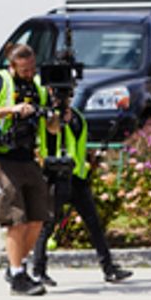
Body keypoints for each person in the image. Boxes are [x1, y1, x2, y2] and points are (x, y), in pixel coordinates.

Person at [0, 44, 59, 296]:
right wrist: (11, 109)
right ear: (12, 65)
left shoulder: (38, 86)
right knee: (15, 219)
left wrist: (56, 114)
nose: (30, 73)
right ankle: (18, 276)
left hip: (28, 157)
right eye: (25, 69)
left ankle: (14, 265)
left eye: (32, 68)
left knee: (39, 217)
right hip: (1, 159)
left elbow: (53, 129)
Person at [29, 105, 133, 286]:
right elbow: (44, 141)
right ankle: (38, 271)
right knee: (47, 225)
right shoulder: (46, 116)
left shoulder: (77, 116)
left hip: (78, 178)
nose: (64, 98)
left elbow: (79, 142)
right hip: (56, 176)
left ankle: (109, 269)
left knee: (94, 224)